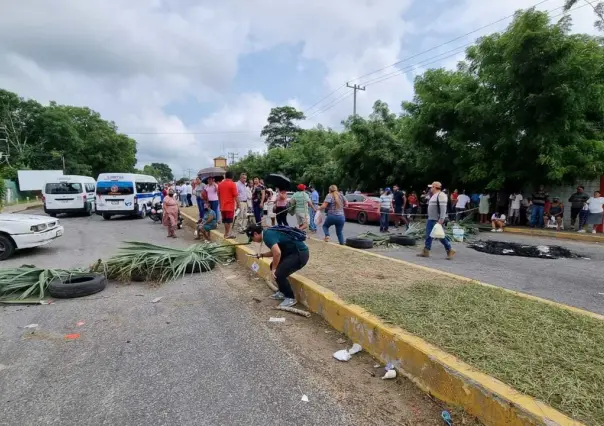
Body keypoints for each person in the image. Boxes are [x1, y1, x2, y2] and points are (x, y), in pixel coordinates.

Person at [246, 223, 309, 308]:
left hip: (299, 254)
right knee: (273, 266)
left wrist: (274, 269)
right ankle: (282, 292)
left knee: (278, 273)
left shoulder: (267, 236)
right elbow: (275, 251)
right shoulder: (268, 233)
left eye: (252, 238)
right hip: (292, 253)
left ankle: (290, 298)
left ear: (255, 234)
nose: (253, 241)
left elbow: (277, 253)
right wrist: (261, 255)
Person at [417, 181, 455, 259]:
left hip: (436, 219)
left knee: (440, 236)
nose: (430, 188)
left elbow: (443, 208)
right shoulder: (434, 195)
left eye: (431, 187)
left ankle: (449, 249)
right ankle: (426, 250)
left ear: (434, 187)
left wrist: (441, 219)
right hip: (431, 218)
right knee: (429, 235)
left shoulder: (441, 195)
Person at [217, 171, 238, 239]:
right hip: (230, 205)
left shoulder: (220, 184)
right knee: (228, 221)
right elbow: (235, 195)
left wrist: (220, 204)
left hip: (222, 205)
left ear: (225, 176)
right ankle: (227, 234)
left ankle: (226, 233)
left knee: (225, 220)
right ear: (232, 176)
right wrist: (238, 204)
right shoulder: (232, 184)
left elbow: (218, 194)